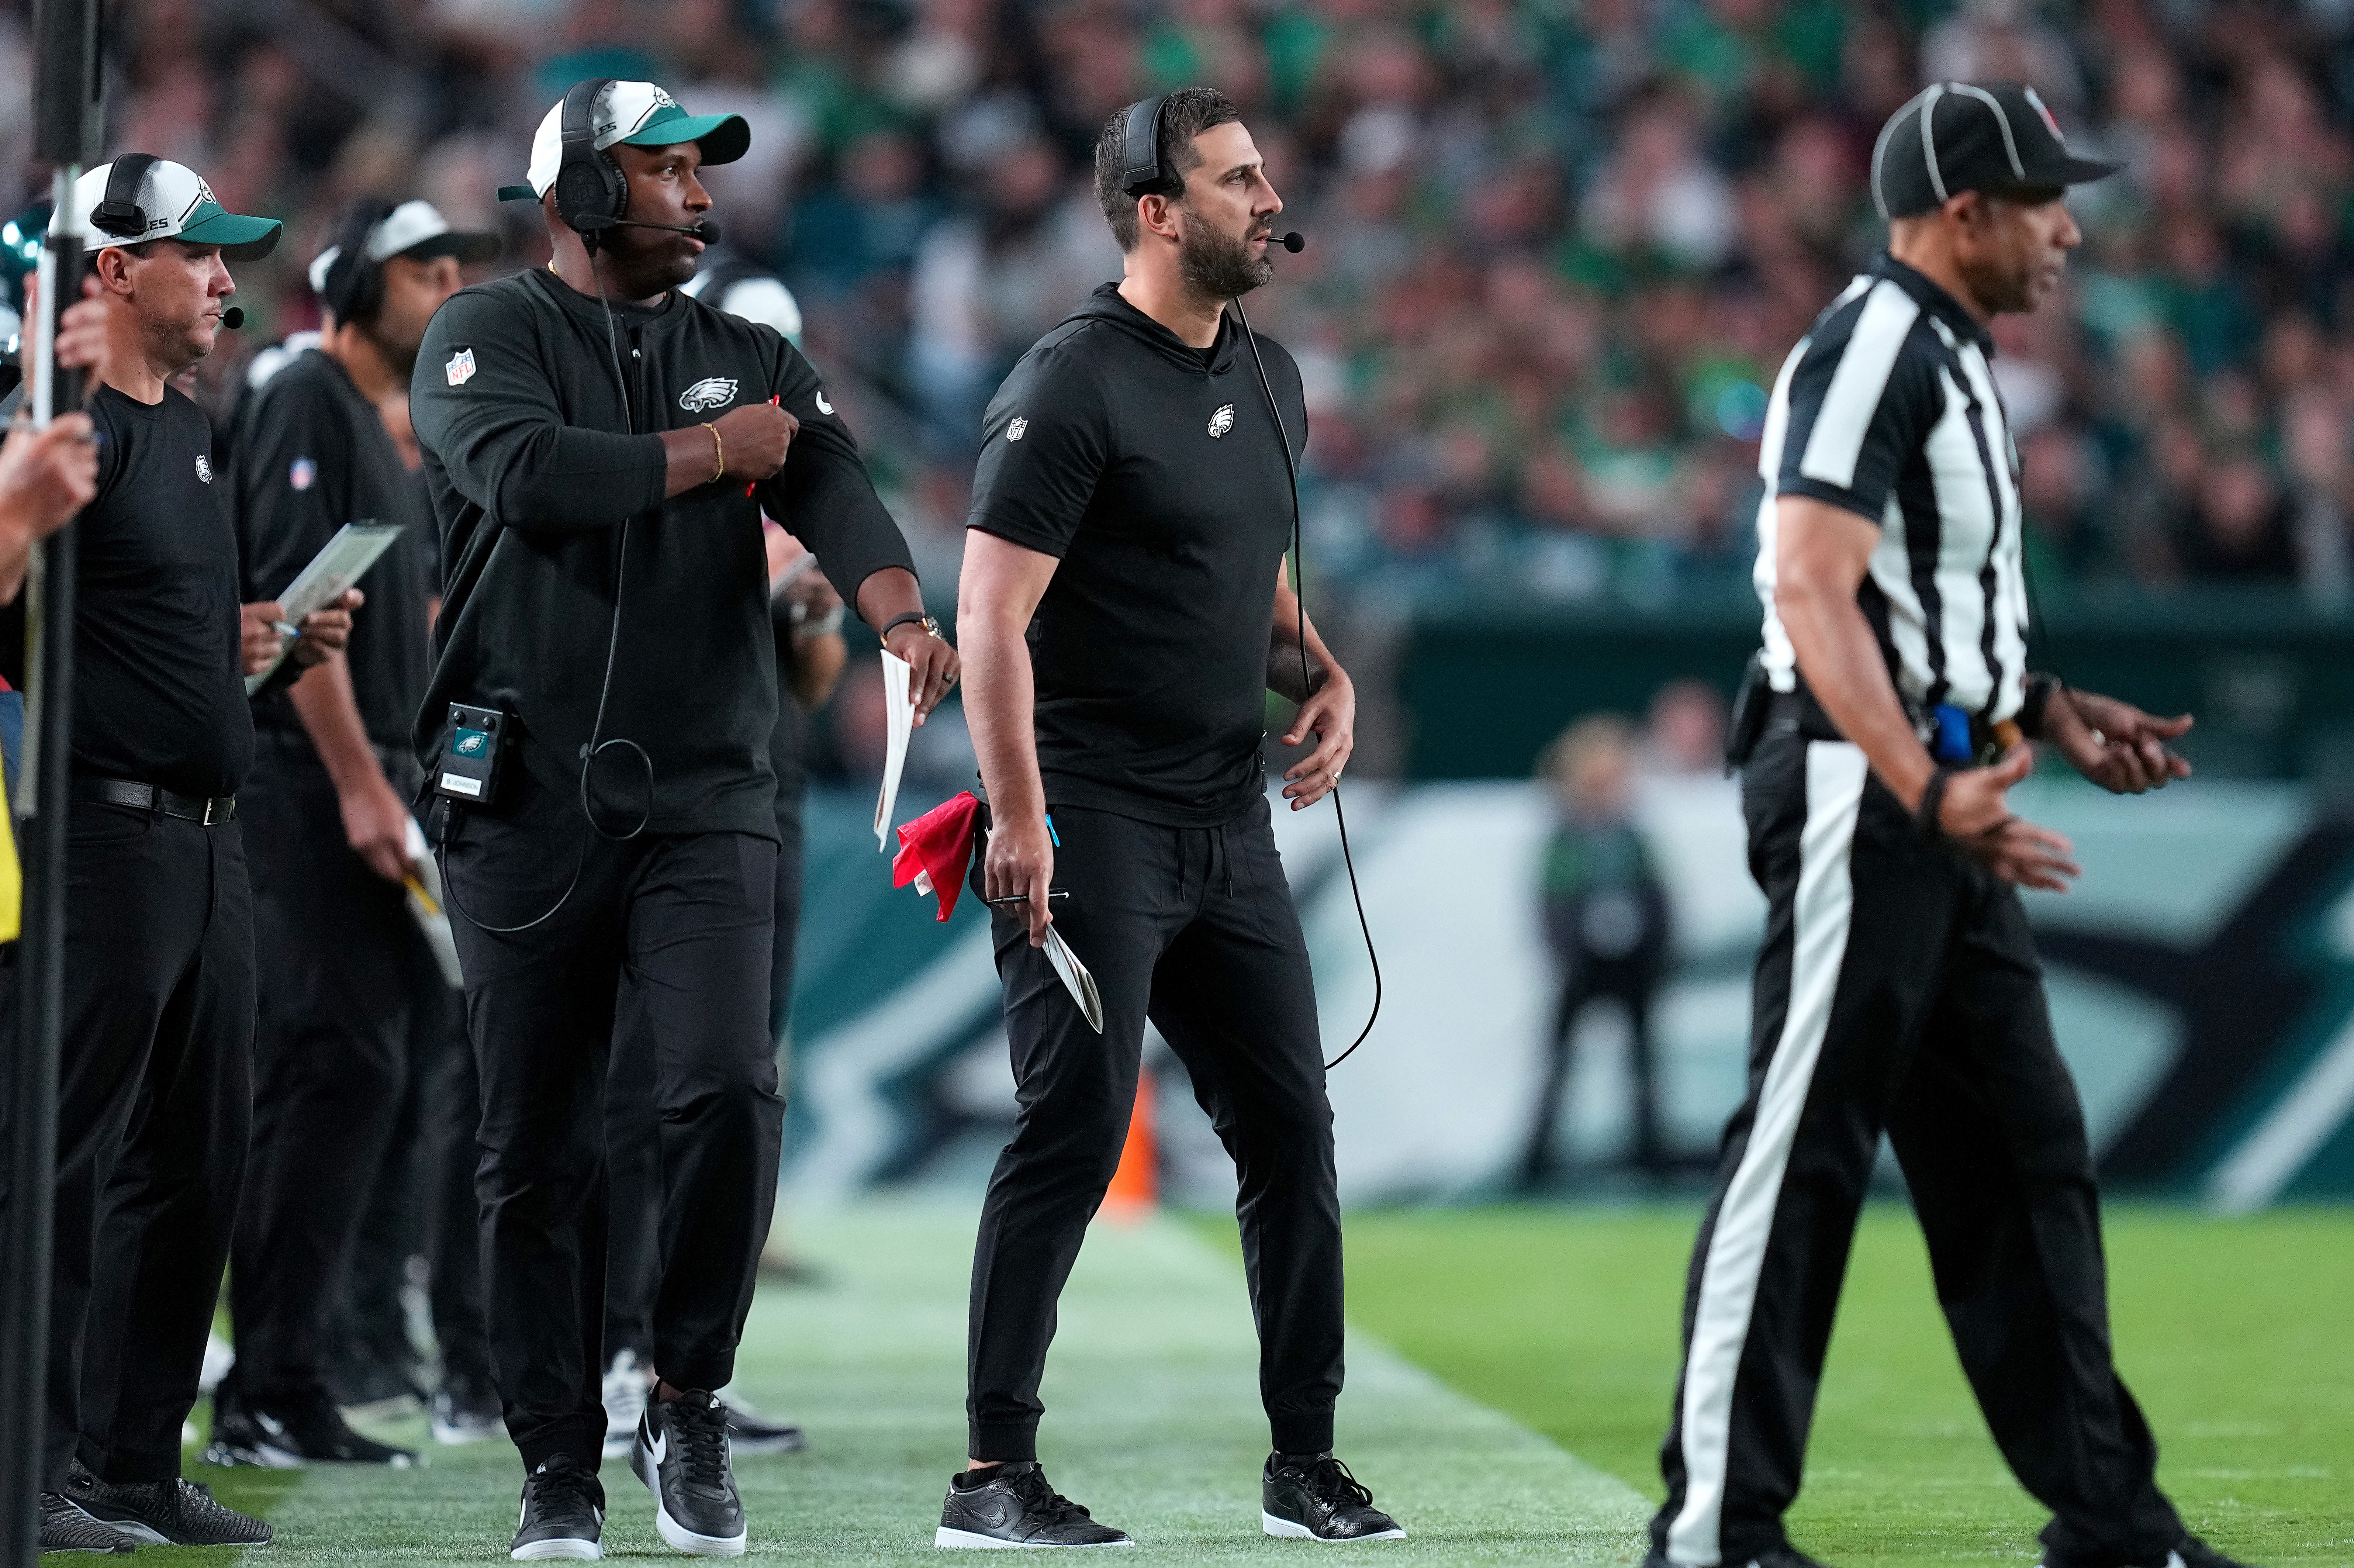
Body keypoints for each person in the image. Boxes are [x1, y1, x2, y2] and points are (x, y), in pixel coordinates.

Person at [1646, 82, 2247, 1568]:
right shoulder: (1867, 347)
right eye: (2044, 200)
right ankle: (1712, 1531)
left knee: (2023, 1156)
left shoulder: (1949, 356)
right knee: (1801, 1148)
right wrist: (1921, 783)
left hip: (1934, 791)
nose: (2066, 228)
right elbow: (1805, 588)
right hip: (1870, 791)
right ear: (1962, 210)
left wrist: (2033, 704)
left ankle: (2107, 1519)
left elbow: (1920, 606)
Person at [408, 79, 956, 1561]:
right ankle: (553, 1462)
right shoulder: (481, 333)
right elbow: (527, 476)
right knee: (535, 1143)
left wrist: (899, 612)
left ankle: (689, 1393)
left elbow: (837, 484)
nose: (698, 195)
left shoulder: (752, 352)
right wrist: (723, 457)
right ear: (579, 194)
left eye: (699, 171)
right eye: (660, 172)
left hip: (712, 781)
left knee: (722, 1089)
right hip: (522, 792)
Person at [946, 87, 1401, 1549]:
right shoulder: (1069, 381)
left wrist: (1316, 673)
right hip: (1088, 818)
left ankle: (1302, 1460)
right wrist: (1017, 822)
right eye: (1236, 179)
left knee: (1289, 1132)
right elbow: (987, 615)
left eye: (1265, 174)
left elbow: (1248, 587)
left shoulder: (1268, 375)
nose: (1269, 200)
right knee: (1072, 1128)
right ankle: (990, 1476)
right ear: (1157, 210)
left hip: (1224, 818)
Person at [3, 156, 352, 1554]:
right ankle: (21, 1469)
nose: (226, 280)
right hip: (95, 832)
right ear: (109, 271)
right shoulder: (51, 428)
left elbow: (151, 630)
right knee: (59, 1162)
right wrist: (21, 514)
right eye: (196, 254)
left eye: (228, 256)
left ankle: (131, 1460)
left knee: (201, 1160)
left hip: (210, 840)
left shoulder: (187, 430)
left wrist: (250, 651)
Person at [210, 197, 500, 1469]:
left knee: (365, 1078)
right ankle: (269, 1380)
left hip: (365, 777)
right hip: (309, 786)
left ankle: (298, 1369)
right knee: (328, 1074)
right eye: (421, 268)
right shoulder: (307, 397)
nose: (447, 285)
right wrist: (362, 786)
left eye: (453, 266)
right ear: (353, 285)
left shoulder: (380, 423)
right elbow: (290, 615)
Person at [600, 271, 839, 1464]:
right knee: (656, 1085)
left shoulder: (790, 490)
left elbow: (815, 684)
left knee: (738, 1085)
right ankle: (618, 1357)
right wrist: (765, 571)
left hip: (766, 791)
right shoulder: (664, 467)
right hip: (676, 803)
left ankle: (684, 1365)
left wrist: (808, 612)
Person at [1518, 714, 1672, 1190]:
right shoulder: (1567, 841)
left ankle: (1649, 1155)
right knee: (1560, 1064)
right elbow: (1551, 907)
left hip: (1631, 967)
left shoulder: (1631, 839)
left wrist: (1654, 954)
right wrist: (1570, 958)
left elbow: (1660, 903)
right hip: (1582, 968)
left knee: (1643, 1066)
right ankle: (1538, 1163)